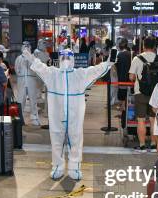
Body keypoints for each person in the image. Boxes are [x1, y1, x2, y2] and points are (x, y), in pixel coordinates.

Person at [26, 47, 116, 180]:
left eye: (68, 57)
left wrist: (108, 64)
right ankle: (57, 167)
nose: (66, 60)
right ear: (59, 59)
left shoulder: (80, 74)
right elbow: (41, 68)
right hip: (57, 115)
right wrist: (32, 59)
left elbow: (95, 70)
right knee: (56, 140)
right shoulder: (52, 74)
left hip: (75, 115)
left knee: (76, 140)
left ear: (73, 59)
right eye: (63, 57)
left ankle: (75, 167)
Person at [129, 36, 158, 153]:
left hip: (140, 93)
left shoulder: (137, 58)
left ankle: (142, 146)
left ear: (143, 46)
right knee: (153, 120)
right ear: (155, 47)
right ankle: (153, 145)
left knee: (140, 120)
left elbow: (131, 77)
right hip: (156, 94)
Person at [14, 41, 42, 126]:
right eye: (24, 46)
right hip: (22, 81)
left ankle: (34, 118)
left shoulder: (33, 58)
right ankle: (20, 118)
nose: (26, 48)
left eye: (28, 46)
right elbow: (16, 69)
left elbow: (37, 69)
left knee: (33, 100)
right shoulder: (19, 58)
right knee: (20, 100)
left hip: (31, 81)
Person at [115, 38, 132, 107]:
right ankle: (125, 106)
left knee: (122, 93)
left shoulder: (119, 55)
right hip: (129, 77)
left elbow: (116, 66)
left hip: (121, 77)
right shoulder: (130, 54)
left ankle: (123, 107)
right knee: (128, 93)